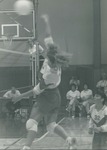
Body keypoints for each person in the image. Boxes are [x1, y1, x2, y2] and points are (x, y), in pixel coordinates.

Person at [12, 14, 76, 150]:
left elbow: (36, 90)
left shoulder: (50, 75)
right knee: (50, 126)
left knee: (31, 123)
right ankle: (69, 140)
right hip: (55, 96)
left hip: (48, 96)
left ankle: (26, 148)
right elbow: (48, 36)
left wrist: (19, 97)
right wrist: (46, 21)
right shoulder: (52, 54)